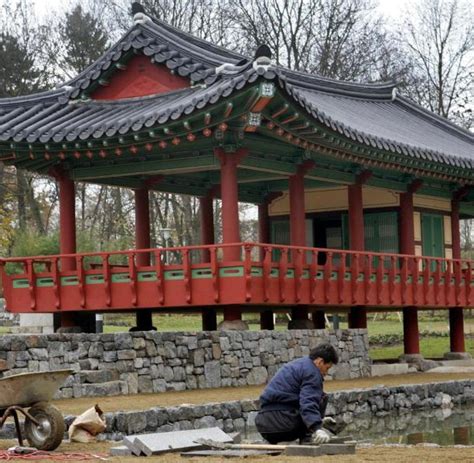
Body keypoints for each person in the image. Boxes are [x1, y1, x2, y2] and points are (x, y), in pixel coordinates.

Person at [255, 342, 338, 445]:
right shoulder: (312, 372)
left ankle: (271, 440)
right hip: (285, 425)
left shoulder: (297, 365)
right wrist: (317, 427)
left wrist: (320, 420)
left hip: (263, 425)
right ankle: (309, 438)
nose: (326, 373)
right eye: (327, 368)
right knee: (322, 397)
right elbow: (308, 402)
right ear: (320, 362)